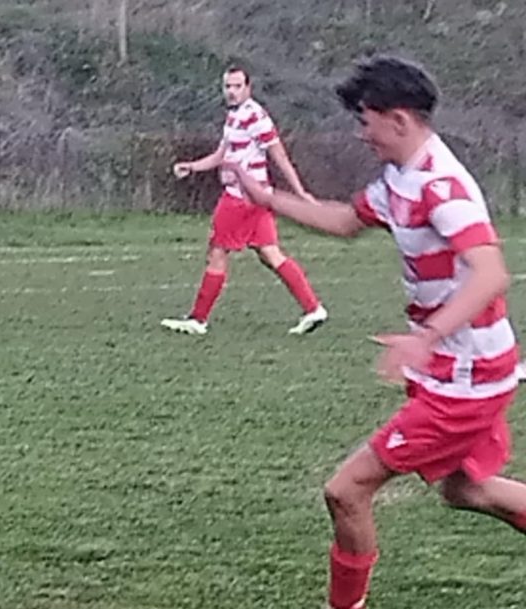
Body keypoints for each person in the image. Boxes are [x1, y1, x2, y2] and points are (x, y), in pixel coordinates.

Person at [228, 55, 525, 609]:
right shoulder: (401, 179)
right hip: (465, 369)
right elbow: (346, 221)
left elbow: (490, 273)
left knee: (346, 491)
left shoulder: (440, 187)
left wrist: (425, 338)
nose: (361, 134)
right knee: (468, 489)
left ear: (399, 119)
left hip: (466, 377)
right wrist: (268, 199)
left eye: (366, 121)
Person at [162, 67, 327, 336]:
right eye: (227, 86)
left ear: (248, 88)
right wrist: (192, 166)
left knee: (217, 253)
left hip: (241, 198)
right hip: (258, 197)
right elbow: (221, 155)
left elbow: (279, 156)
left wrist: (300, 192)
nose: (231, 91)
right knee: (270, 254)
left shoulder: (255, 116)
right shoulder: (234, 116)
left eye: (237, 86)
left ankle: (197, 320)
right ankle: (313, 308)